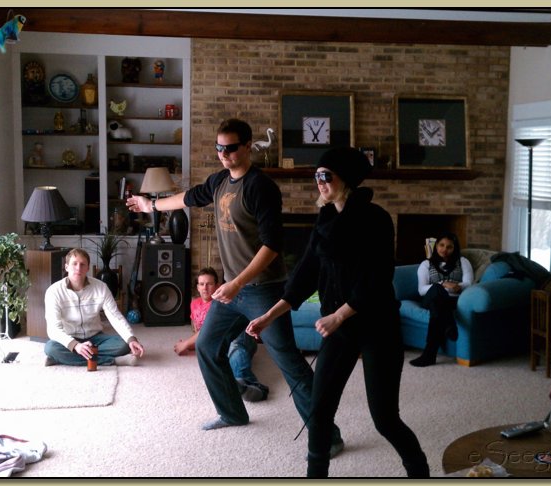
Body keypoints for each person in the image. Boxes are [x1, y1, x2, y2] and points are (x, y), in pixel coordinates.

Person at [127, 118, 344, 457]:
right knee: (207, 346)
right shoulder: (219, 181)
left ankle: (328, 437)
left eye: (230, 148)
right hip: (232, 291)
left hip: (263, 290)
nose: (223, 154)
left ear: (246, 146)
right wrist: (150, 205)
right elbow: (188, 197)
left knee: (289, 363)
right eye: (219, 148)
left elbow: (272, 246)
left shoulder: (261, 187)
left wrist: (236, 283)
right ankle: (232, 413)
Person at [246, 147, 429, 478]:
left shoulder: (375, 219)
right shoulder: (326, 218)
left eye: (326, 176)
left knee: (385, 419)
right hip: (338, 329)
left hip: (376, 326)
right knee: (319, 412)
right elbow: (305, 273)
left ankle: (419, 473)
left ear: (346, 179)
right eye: (316, 176)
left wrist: (339, 315)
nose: (319, 182)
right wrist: (270, 315)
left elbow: (376, 278)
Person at [174, 267, 268, 402]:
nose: (205, 288)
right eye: (201, 284)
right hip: (219, 341)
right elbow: (199, 332)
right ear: (197, 287)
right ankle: (237, 385)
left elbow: (206, 330)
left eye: (209, 284)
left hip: (240, 336)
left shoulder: (222, 305)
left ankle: (249, 385)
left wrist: (186, 343)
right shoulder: (194, 303)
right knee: (220, 357)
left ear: (217, 286)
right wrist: (194, 344)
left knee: (234, 346)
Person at [44, 248, 145, 367]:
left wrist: (131, 339)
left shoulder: (101, 287)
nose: (78, 268)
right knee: (51, 348)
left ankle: (62, 358)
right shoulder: (54, 291)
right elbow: (53, 329)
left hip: (96, 337)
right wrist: (75, 345)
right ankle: (113, 361)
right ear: (66, 267)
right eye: (74, 264)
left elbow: (115, 317)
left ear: (87, 268)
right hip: (70, 337)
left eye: (82, 264)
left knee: (124, 344)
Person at [409, 232, 474, 367]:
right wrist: (442, 284)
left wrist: (458, 286)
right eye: (441, 245)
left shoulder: (463, 262)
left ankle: (429, 355)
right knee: (437, 290)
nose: (444, 249)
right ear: (436, 246)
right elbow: (421, 289)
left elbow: (469, 283)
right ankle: (450, 324)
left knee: (437, 310)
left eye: (449, 247)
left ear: (455, 248)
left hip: (452, 301)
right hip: (429, 299)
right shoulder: (426, 264)